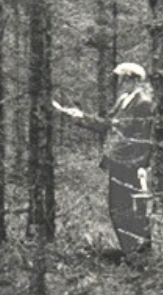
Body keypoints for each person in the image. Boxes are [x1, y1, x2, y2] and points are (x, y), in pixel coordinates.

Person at [56, 62, 156, 256]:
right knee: (118, 208)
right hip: (119, 162)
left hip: (132, 164)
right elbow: (108, 125)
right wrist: (80, 117)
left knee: (132, 210)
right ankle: (131, 252)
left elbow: (131, 133)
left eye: (122, 79)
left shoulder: (143, 102)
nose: (119, 83)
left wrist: (142, 165)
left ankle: (139, 254)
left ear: (132, 79)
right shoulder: (125, 100)